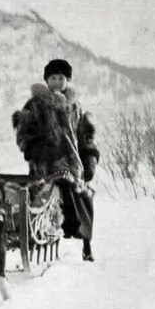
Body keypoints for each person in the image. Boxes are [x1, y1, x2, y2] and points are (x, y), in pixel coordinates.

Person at [10, 58, 99, 260]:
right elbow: (23, 134)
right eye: (53, 78)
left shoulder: (75, 106)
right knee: (45, 200)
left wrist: (89, 161)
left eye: (61, 78)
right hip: (45, 165)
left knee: (83, 199)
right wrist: (34, 149)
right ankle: (44, 237)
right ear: (46, 80)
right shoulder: (35, 104)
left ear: (67, 80)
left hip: (73, 164)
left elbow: (86, 136)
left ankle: (86, 245)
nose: (57, 82)